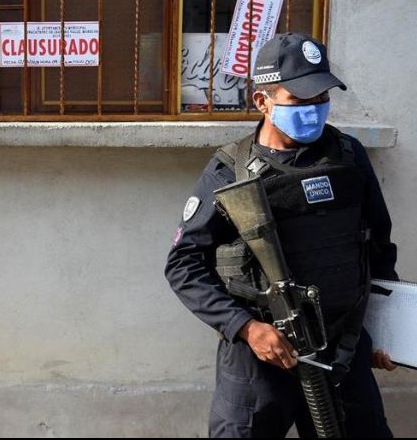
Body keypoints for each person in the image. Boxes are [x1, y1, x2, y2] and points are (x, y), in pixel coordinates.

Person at [165, 33, 399, 438]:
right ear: (263, 101)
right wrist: (244, 327)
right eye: (300, 101)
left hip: (341, 349)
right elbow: (183, 265)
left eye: (321, 99)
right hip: (261, 360)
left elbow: (378, 247)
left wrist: (388, 331)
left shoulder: (348, 156)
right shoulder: (230, 171)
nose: (314, 110)